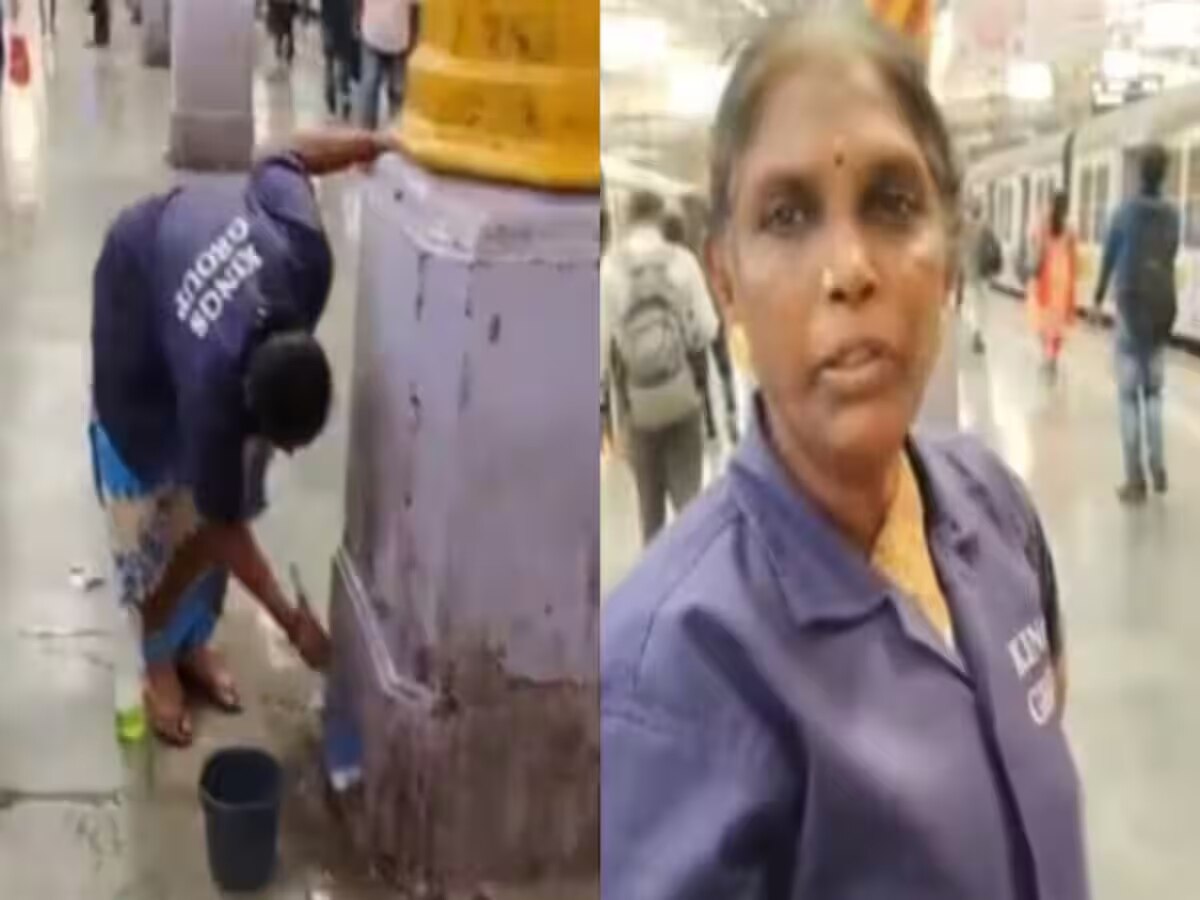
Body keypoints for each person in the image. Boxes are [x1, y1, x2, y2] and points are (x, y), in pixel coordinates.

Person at [601, 10, 1088, 900]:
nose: (849, 268)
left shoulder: (994, 509)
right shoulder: (669, 676)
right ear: (726, 282)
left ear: (948, 256)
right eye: (786, 216)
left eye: (894, 202)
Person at [90, 128, 397, 746]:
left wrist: (375, 142)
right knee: (154, 519)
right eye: (279, 443)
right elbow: (223, 526)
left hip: (194, 254)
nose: (284, 455)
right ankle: (158, 664)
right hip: (138, 291)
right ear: (245, 409)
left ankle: (193, 643)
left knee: (216, 510)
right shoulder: (210, 389)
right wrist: (292, 623)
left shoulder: (305, 259)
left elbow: (285, 156)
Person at [601, 190, 720, 545]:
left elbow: (599, 353)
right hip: (682, 397)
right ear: (657, 216)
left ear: (627, 217)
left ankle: (656, 587)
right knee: (690, 506)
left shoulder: (610, 270)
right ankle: (696, 584)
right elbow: (708, 328)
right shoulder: (681, 262)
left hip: (638, 406)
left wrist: (605, 417)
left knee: (649, 511)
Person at [1094, 143, 1180, 504]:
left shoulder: (1124, 212)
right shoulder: (1173, 215)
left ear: (1137, 172)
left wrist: (1098, 298)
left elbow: (1110, 257)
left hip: (1129, 309)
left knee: (1129, 397)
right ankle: (1158, 465)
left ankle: (1135, 480)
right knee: (1154, 394)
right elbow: (1171, 252)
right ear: (1164, 174)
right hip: (1161, 310)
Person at [661, 209, 739, 448]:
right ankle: (729, 409)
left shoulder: (665, 263)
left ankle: (706, 422)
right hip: (711, 317)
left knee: (696, 378)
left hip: (684, 330)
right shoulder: (692, 257)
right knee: (723, 367)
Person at [1027, 191, 1077, 380]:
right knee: (1057, 324)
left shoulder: (1043, 224)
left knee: (1040, 320)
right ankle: (1052, 358)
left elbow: (1037, 249)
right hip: (1062, 276)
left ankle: (1045, 356)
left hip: (1045, 275)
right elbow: (1073, 255)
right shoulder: (1070, 227)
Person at [355, 0, 413, 129]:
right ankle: (395, 133)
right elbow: (415, 10)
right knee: (396, 91)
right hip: (397, 38)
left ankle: (366, 132)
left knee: (370, 86)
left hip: (376, 34)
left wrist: (357, 21)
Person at [961, 196, 1002, 354]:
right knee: (983, 305)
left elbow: (960, 249)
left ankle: (975, 332)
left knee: (972, 304)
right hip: (984, 272)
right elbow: (995, 246)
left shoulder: (965, 228)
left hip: (970, 272)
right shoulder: (986, 227)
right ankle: (979, 333)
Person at [321, 0, 357, 120]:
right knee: (343, 65)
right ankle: (345, 101)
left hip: (328, 22)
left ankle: (331, 101)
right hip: (344, 21)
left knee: (329, 64)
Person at [267, 0, 298, 67]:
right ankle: (287, 53)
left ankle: (283, 52)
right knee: (287, 29)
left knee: (282, 29)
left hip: (280, 4)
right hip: (286, 4)